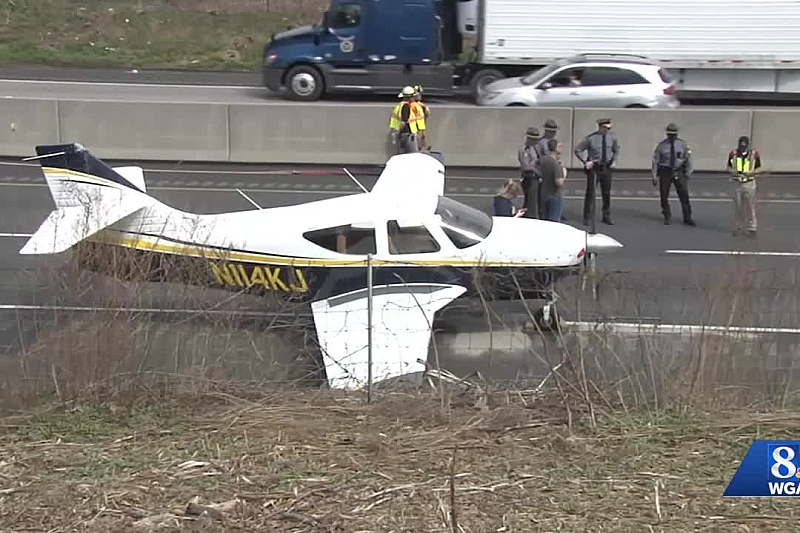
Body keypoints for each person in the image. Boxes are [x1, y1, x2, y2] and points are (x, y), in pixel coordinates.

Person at [574, 117, 619, 229]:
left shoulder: (612, 137)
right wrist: (585, 161)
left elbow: (616, 150)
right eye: (605, 128)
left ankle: (606, 215)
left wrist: (614, 160)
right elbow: (578, 150)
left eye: (609, 128)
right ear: (600, 127)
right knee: (591, 193)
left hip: (606, 167)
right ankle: (587, 217)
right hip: (595, 168)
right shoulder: (591, 139)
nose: (607, 130)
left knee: (607, 193)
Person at [651, 123, 695, 226]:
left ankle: (687, 217)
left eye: (674, 135)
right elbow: (655, 161)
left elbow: (688, 158)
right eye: (670, 134)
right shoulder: (661, 146)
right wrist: (654, 175)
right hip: (665, 171)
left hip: (678, 171)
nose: (672, 137)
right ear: (667, 134)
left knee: (684, 195)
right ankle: (667, 215)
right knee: (663, 195)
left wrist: (688, 172)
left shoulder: (682, 144)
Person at [727, 135, 764, 237]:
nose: (742, 148)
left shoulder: (754, 154)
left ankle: (752, 228)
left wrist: (751, 172)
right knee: (738, 207)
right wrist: (733, 171)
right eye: (741, 146)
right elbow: (728, 168)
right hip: (737, 183)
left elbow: (759, 168)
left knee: (750, 206)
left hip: (749, 182)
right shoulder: (733, 154)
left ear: (747, 145)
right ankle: (739, 227)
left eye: (744, 146)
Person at [537, 118, 567, 221]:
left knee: (556, 192)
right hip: (547, 168)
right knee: (550, 193)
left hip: (555, 166)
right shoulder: (541, 143)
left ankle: (557, 212)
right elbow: (539, 158)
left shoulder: (556, 141)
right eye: (551, 131)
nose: (554, 133)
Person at [517, 127, 542, 219]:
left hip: (536, 177)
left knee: (533, 200)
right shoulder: (524, 149)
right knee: (531, 202)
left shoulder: (536, 148)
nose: (536, 141)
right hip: (529, 177)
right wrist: (537, 170)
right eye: (534, 139)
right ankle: (531, 218)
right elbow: (526, 166)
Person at [388, 86, 419, 154]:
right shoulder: (406, 106)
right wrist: (398, 133)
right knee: (413, 155)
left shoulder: (400, 105)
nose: (414, 98)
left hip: (403, 134)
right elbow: (403, 122)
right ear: (409, 97)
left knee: (402, 155)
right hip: (407, 135)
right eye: (413, 96)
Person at [412, 85, 429, 151]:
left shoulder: (422, 106)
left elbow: (426, 115)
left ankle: (423, 148)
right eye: (419, 95)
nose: (420, 96)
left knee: (422, 138)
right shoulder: (414, 105)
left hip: (420, 126)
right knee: (417, 139)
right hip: (414, 127)